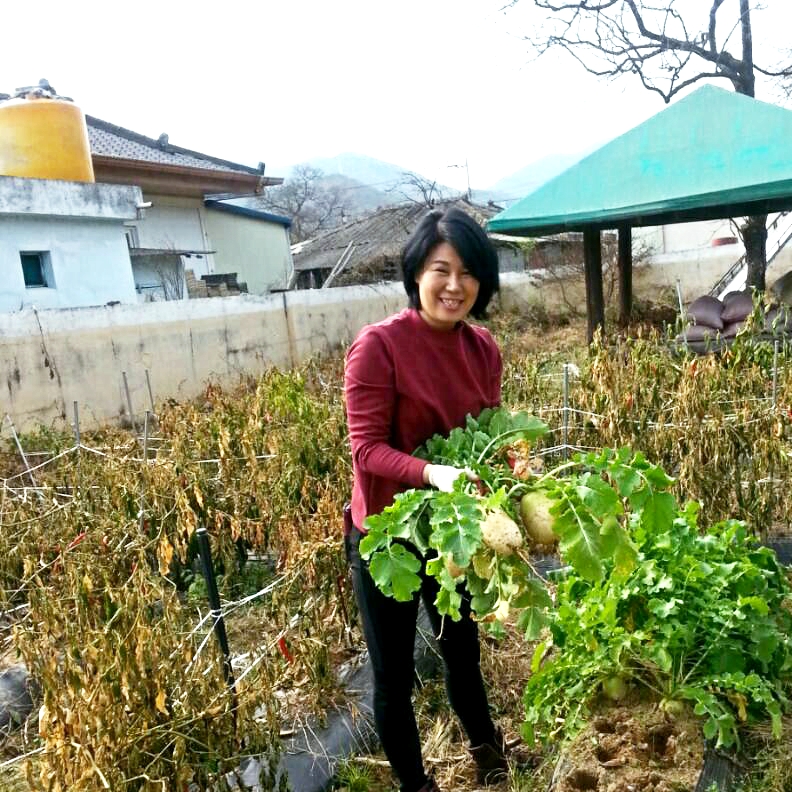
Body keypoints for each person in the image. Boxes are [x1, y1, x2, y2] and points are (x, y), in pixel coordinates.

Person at [343, 207, 514, 792]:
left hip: (451, 532)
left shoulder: (482, 347)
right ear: (417, 271)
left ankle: (491, 760)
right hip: (387, 536)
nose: (454, 285)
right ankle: (417, 787)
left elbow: (487, 429)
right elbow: (366, 450)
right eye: (442, 269)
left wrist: (513, 465)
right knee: (393, 677)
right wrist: (432, 474)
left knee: (462, 651)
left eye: (469, 273)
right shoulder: (378, 348)